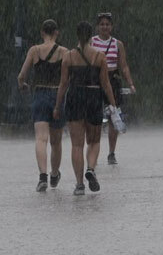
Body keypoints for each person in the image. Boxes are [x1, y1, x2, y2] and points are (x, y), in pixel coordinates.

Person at [53, 21, 119, 196]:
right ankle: (90, 168)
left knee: (77, 145)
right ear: (91, 36)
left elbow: (63, 84)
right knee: (94, 141)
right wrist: (113, 105)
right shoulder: (99, 57)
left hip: (75, 97)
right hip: (93, 97)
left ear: (77, 35)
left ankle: (79, 184)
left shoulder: (68, 57)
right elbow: (105, 84)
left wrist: (57, 106)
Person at [17, 19, 67, 192]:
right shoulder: (64, 52)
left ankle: (42, 176)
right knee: (56, 141)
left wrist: (23, 85)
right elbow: (68, 77)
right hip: (58, 96)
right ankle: (54, 174)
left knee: (40, 138)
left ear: (42, 33)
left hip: (40, 95)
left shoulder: (35, 51)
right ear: (57, 33)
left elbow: (21, 75)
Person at [92, 12, 136, 165]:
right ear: (98, 27)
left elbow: (123, 66)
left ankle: (111, 153)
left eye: (107, 24)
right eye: (102, 24)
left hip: (113, 79)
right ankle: (93, 152)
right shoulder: (91, 42)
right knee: (94, 118)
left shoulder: (118, 44)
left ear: (111, 27)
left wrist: (130, 83)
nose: (104, 27)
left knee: (114, 116)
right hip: (96, 80)